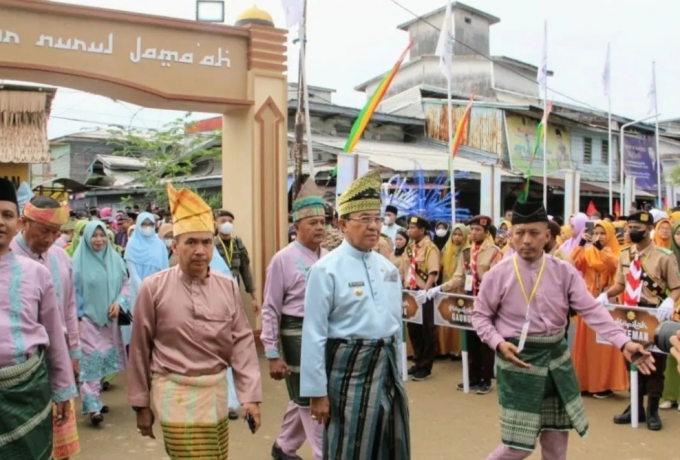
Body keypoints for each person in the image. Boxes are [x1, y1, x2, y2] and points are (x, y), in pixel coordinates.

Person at [472, 200, 655, 460]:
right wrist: (498, 343)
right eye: (520, 232)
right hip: (518, 364)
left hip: (557, 362)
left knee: (557, 444)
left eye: (534, 233)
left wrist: (625, 343)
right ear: (510, 236)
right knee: (518, 447)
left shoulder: (564, 271)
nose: (526, 240)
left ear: (547, 236)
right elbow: (480, 316)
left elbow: (592, 310)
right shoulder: (497, 275)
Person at [127, 183, 262, 460]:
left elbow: (242, 344)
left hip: (215, 393)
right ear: (175, 247)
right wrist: (141, 405)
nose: (200, 250)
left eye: (206, 242)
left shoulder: (227, 287)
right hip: (173, 392)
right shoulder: (153, 288)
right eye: (191, 242)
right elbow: (140, 349)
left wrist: (249, 397)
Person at [300, 171, 409, 460]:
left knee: (390, 444)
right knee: (349, 448)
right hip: (347, 373)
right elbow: (313, 335)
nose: (373, 226)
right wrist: (316, 393)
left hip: (386, 370)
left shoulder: (387, 269)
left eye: (376, 218)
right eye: (364, 219)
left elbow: (396, 329)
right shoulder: (325, 270)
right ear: (343, 223)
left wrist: (398, 373)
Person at [0, 178, 78, 460]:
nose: (49, 239)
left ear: (15, 221)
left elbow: (57, 330)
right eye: (45, 230)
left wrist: (63, 388)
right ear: (26, 224)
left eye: (6, 215)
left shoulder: (39, 271)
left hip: (29, 386)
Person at [262, 179, 327, 460]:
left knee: (303, 397)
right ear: (296, 226)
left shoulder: (329, 257)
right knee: (311, 399)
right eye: (312, 223)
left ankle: (284, 447)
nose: (320, 228)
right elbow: (270, 308)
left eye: (323, 221)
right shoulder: (282, 260)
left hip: (325, 335)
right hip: (297, 336)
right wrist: (272, 353)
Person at [599, 211, 680, 431]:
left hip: (655, 314)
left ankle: (652, 408)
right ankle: (635, 407)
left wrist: (669, 303)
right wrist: (605, 295)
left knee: (654, 363)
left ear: (649, 230)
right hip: (630, 315)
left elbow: (676, 287)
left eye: (637, 228)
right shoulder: (625, 254)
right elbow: (620, 285)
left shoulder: (663, 256)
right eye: (629, 227)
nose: (632, 232)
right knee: (632, 359)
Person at [430, 215, 502, 394]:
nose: (474, 233)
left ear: (486, 233)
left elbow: (497, 279)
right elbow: (458, 277)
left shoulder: (494, 252)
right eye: (472, 230)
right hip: (469, 300)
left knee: (484, 341)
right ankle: (472, 377)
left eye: (478, 230)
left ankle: (485, 379)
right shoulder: (466, 253)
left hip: (486, 302)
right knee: (469, 340)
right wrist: (439, 288)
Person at [73, 220, 130, 426]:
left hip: (110, 321)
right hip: (87, 320)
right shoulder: (77, 263)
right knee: (91, 361)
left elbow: (126, 284)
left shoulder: (115, 259)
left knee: (104, 360)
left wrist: (119, 302)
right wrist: (77, 319)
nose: (98, 240)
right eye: (94, 236)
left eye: (102, 235)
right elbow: (73, 294)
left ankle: (96, 398)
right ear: (86, 238)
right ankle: (92, 407)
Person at [570, 220, 629, 398]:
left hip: (608, 301)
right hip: (588, 301)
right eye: (596, 233)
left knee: (604, 345)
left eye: (603, 233)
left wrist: (601, 248)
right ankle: (586, 383)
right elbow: (572, 263)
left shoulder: (618, 251)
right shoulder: (589, 251)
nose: (599, 236)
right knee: (586, 344)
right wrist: (581, 243)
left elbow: (615, 265)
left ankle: (604, 384)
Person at [401, 215, 440, 381]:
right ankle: (417, 361)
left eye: (413, 228)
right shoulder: (409, 248)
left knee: (426, 330)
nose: (409, 230)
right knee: (413, 329)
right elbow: (404, 269)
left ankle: (426, 365)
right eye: (409, 227)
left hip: (424, 292)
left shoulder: (430, 248)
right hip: (410, 292)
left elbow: (433, 272)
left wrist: (425, 290)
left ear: (422, 230)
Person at [123, 212, 169, 348]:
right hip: (137, 291)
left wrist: (157, 289)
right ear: (138, 225)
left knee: (157, 325)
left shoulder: (159, 245)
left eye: (150, 224)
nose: (147, 227)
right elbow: (132, 272)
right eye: (144, 224)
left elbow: (164, 270)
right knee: (139, 325)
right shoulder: (132, 244)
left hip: (158, 291)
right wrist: (144, 289)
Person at [214, 209, 260, 314]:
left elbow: (246, 272)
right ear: (215, 224)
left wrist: (254, 298)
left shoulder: (238, 245)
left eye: (230, 221)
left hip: (234, 292)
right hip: (215, 292)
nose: (227, 224)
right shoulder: (211, 245)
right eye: (223, 221)